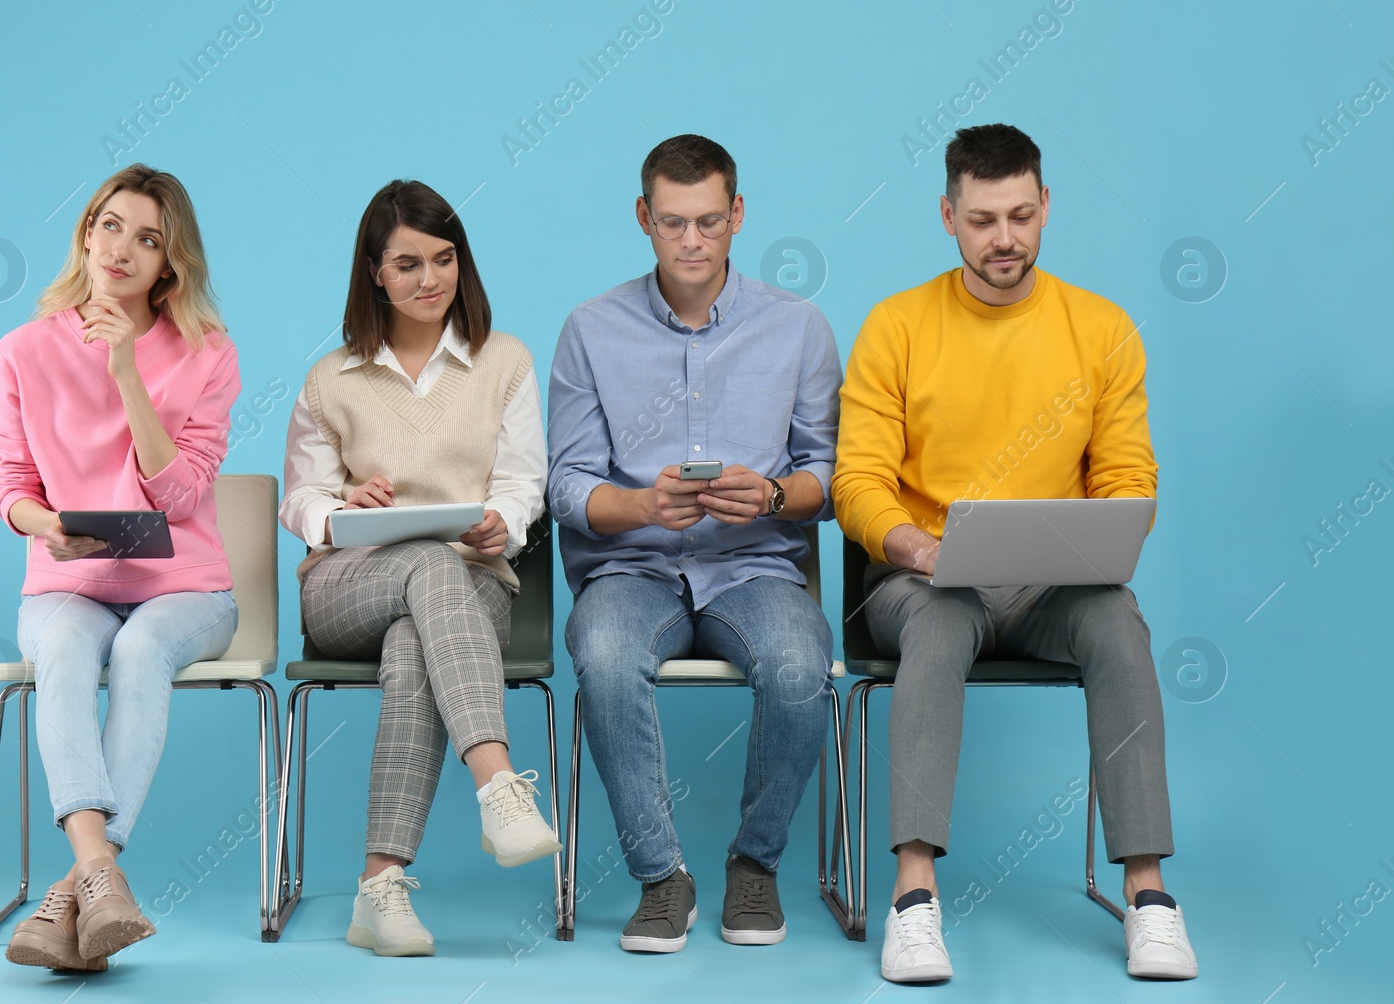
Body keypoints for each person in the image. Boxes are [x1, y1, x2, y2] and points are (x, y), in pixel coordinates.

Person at [833, 123, 1198, 983]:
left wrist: (1112, 533)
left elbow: (1126, 475)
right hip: (919, 581)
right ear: (948, 216)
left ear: (1045, 210)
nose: (1006, 238)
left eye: (1022, 216)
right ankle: (913, 899)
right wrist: (916, 544)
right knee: (941, 622)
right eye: (985, 218)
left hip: (1050, 589)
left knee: (1117, 621)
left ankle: (1149, 896)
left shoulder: (1102, 329)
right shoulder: (897, 325)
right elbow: (857, 481)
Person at [548, 134, 841, 953]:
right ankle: (661, 876)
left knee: (797, 663)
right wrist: (641, 504)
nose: (691, 241)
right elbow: (566, 486)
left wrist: (774, 494)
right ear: (643, 217)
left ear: (738, 215)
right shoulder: (589, 329)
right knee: (603, 654)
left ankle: (756, 862)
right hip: (632, 568)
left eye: (710, 221)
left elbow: (829, 475)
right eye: (673, 222)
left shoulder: (799, 328)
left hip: (753, 566)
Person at [279, 179, 561, 957]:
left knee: (418, 637)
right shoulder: (330, 377)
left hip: (469, 584)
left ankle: (380, 890)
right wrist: (341, 507)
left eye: (445, 260)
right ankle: (498, 781)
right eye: (408, 264)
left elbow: (521, 479)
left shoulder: (503, 361)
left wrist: (504, 522)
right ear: (374, 271)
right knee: (421, 571)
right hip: (346, 586)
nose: (430, 279)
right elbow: (299, 495)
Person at [0, 164, 240, 971]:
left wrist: (126, 368)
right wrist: (49, 526)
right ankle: (100, 872)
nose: (122, 249)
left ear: (170, 263)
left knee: (138, 650)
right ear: (85, 232)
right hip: (70, 581)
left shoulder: (207, 351)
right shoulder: (21, 350)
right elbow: (13, 488)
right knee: (60, 647)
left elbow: (181, 490)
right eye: (110, 226)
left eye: (148, 238)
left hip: (187, 588)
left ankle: (73, 886)